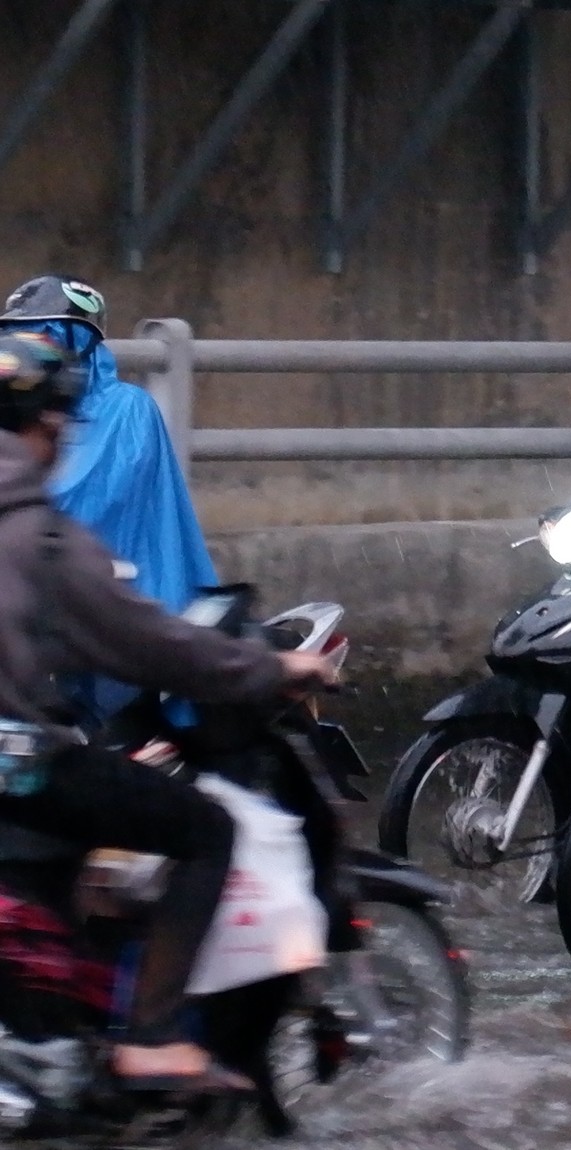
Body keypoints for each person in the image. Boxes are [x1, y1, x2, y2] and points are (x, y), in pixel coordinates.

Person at [0, 332, 339, 1090]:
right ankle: (150, 1036)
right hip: (19, 765)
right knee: (202, 829)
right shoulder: (38, 533)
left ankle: (57, 1025)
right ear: (46, 426)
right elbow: (145, 641)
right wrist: (271, 666)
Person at [0, 275, 219, 727]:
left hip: (114, 601)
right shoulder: (22, 412)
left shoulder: (125, 409)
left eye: (51, 335)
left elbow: (85, 499)